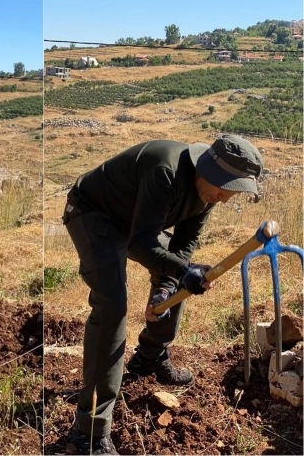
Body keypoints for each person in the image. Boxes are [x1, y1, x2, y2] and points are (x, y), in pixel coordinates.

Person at [61, 135, 263, 455]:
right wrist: (183, 271)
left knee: (180, 277)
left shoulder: (207, 193)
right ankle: (89, 431)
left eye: (232, 191)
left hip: (136, 223)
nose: (225, 199)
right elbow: (141, 243)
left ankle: (150, 358)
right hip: (93, 214)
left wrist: (170, 286)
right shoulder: (165, 170)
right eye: (226, 188)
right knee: (112, 305)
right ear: (207, 169)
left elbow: (182, 246)